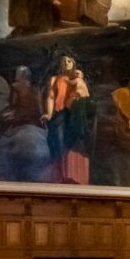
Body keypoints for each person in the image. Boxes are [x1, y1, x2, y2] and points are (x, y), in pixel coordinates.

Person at [42, 53, 92, 184]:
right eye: (63, 61)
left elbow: (85, 96)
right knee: (57, 143)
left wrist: (78, 101)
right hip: (59, 115)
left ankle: (74, 175)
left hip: (74, 115)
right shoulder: (54, 79)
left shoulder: (78, 79)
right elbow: (51, 97)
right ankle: (59, 176)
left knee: (74, 145)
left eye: (69, 61)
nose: (65, 63)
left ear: (73, 64)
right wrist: (49, 113)